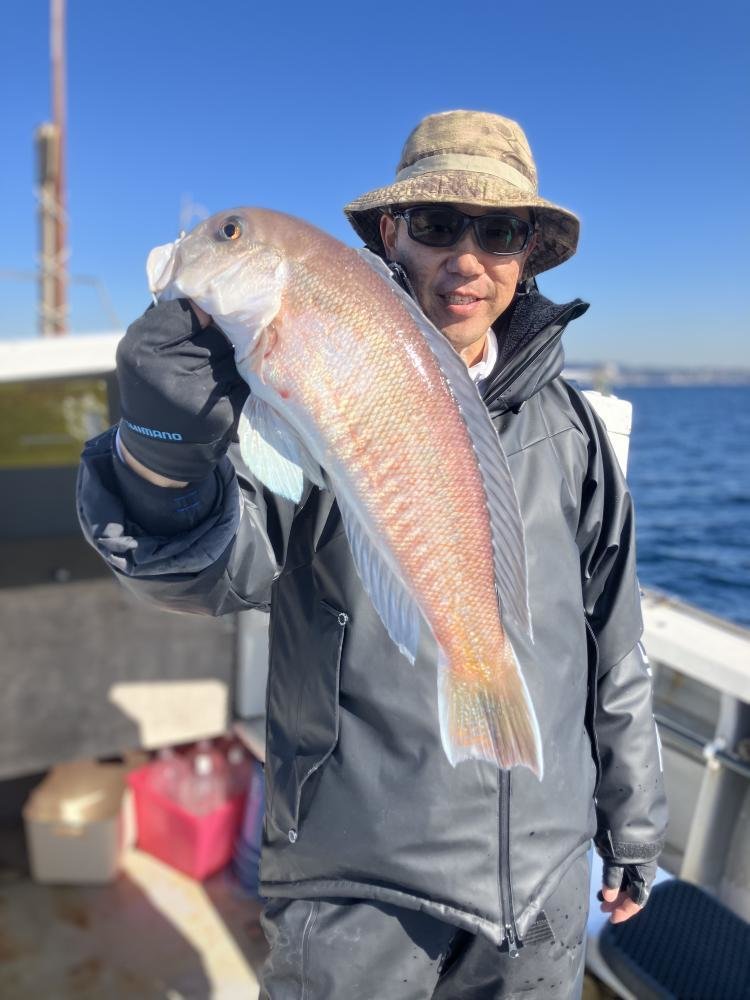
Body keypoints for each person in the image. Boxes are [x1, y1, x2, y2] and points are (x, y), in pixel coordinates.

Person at [78, 110, 667, 999]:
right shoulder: (272, 381)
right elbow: (214, 569)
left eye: (499, 232)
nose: (466, 259)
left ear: (528, 255)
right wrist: (163, 459)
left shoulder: (575, 431)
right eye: (436, 224)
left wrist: (633, 819)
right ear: (391, 234)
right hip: (358, 885)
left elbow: (613, 637)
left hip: (546, 884)